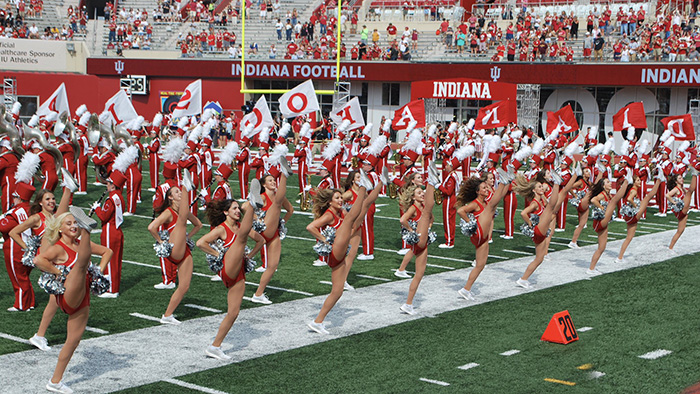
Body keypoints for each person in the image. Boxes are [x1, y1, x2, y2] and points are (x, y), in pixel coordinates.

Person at [34, 207, 110, 394]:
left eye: (75, 223)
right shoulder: (59, 247)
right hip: (68, 293)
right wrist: (58, 272)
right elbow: (38, 260)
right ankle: (88, 228)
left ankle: (55, 381)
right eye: (69, 223)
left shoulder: (81, 245)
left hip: (82, 296)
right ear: (60, 229)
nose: (72, 226)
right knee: (81, 265)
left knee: (73, 341)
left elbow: (108, 252)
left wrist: (98, 270)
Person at [306, 170, 384, 334]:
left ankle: (317, 321)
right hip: (335, 250)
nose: (341, 200)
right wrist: (324, 239)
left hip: (338, 256)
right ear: (329, 202)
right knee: (350, 220)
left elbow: (358, 213)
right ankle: (364, 185)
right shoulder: (328, 214)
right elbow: (311, 227)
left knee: (338, 291)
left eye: (341, 198)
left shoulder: (341, 212)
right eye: (337, 198)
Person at [196, 191, 260, 360]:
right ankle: (252, 204)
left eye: (239, 208)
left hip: (239, 271)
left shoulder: (240, 228)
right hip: (228, 267)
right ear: (226, 212)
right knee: (240, 238)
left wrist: (250, 256)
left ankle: (214, 346)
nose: (238, 211)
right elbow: (200, 243)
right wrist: (218, 254)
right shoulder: (221, 229)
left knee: (233, 312)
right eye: (234, 209)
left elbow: (261, 240)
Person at [148, 170, 203, 324]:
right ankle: (188, 186)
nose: (178, 193)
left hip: (183, 249)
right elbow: (151, 227)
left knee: (184, 286)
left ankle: (167, 316)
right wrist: (161, 242)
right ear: (170, 197)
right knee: (181, 221)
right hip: (173, 249)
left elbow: (199, 225)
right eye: (177, 191)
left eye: (180, 190)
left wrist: (188, 237)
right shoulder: (168, 211)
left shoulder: (184, 213)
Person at [456, 167, 513, 300]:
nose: (487, 189)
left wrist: (508, 183)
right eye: (484, 188)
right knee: (492, 206)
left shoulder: (485, 202)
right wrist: (469, 222)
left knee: (480, 265)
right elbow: (461, 211)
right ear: (478, 192)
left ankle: (466, 289)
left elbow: (500, 197)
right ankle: (504, 181)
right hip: (479, 233)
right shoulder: (475, 203)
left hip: (484, 237)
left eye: (487, 188)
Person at [514, 169, 575, 288]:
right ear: (534, 190)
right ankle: (557, 182)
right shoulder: (535, 203)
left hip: (541, 231)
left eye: (542, 186)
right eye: (539, 187)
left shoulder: (542, 200)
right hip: (538, 230)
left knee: (539, 259)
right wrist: (530, 224)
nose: (542, 188)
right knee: (552, 206)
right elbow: (523, 213)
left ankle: (523, 279)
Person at [249, 156, 293, 304]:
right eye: (270, 181)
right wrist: (257, 220)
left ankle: (258, 294)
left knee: (273, 266)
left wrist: (281, 223)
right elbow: (244, 208)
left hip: (274, 233)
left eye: (275, 180)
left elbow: (291, 210)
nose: (273, 182)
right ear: (263, 185)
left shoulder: (278, 198)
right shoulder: (261, 196)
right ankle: (284, 174)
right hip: (263, 230)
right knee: (276, 203)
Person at [399, 164, 440, 315]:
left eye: (423, 192)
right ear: (413, 196)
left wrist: (428, 227)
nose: (421, 194)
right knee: (429, 206)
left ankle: (408, 304)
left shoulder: (422, 208)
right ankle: (432, 180)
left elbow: (432, 218)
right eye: (419, 192)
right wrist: (412, 231)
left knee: (419, 274)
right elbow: (403, 220)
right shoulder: (414, 208)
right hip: (419, 239)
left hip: (424, 241)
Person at [587, 174, 631, 274]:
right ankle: (626, 182)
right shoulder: (602, 194)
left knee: (602, 247)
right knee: (615, 200)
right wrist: (601, 208)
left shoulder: (608, 194)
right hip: (600, 222)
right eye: (607, 182)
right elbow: (593, 200)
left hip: (603, 222)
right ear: (603, 186)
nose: (610, 183)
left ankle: (591, 269)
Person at [92, 170, 127, 298]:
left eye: (108, 183)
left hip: (109, 231)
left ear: (113, 185)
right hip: (117, 231)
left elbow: (103, 216)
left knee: (110, 260)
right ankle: (114, 286)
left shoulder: (111, 198)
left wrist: (97, 208)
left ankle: (111, 289)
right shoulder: (120, 197)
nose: (107, 185)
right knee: (116, 260)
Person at [616, 174, 663, 262]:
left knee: (629, 238)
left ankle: (620, 257)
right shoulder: (633, 190)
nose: (640, 181)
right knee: (648, 197)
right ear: (633, 182)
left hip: (629, 217)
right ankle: (659, 181)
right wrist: (635, 205)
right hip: (633, 215)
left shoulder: (631, 189)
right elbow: (629, 199)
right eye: (637, 180)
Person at [667, 171, 698, 251]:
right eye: (679, 178)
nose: (682, 179)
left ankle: (670, 247)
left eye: (682, 178)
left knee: (680, 231)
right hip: (681, 210)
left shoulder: (681, 188)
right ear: (676, 181)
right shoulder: (676, 189)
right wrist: (673, 202)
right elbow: (667, 195)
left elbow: (685, 193)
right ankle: (694, 174)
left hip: (684, 212)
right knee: (690, 192)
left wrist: (683, 189)